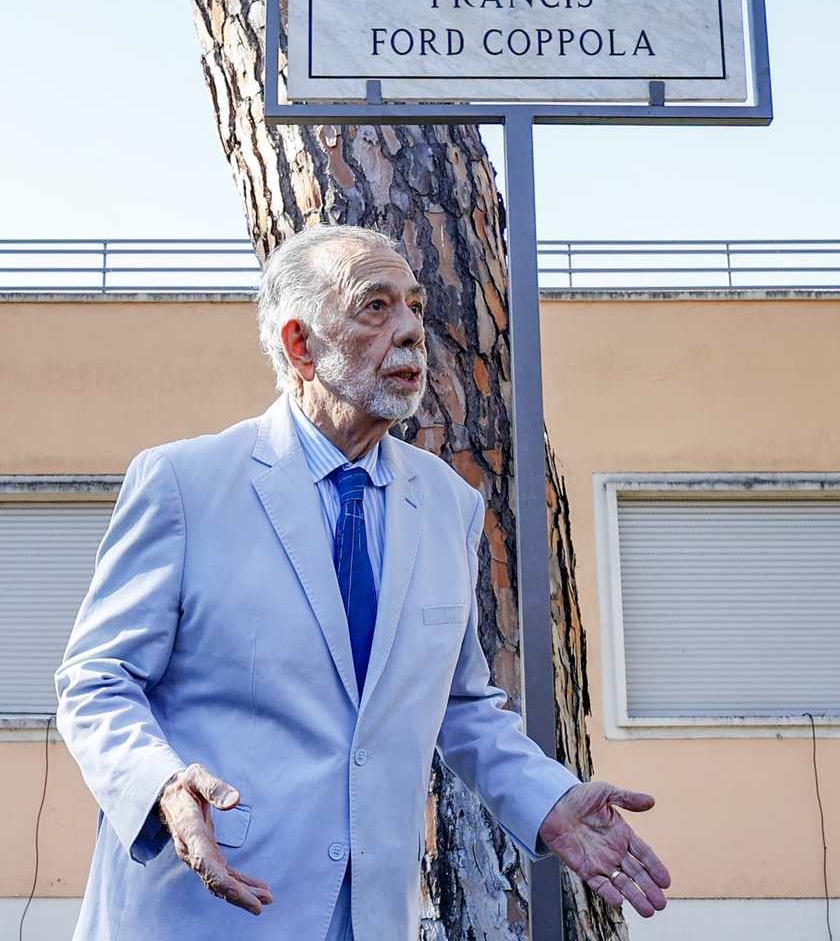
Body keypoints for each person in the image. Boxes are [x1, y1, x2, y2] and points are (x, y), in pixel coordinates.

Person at [56, 224, 669, 941]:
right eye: (375, 306)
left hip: (371, 914)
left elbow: (461, 705)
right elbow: (96, 680)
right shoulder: (184, 484)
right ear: (300, 345)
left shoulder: (447, 504)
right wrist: (159, 786)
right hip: (205, 908)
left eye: (414, 305)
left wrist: (548, 800)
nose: (411, 330)